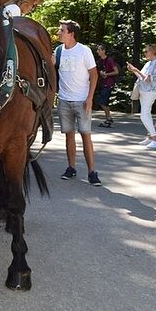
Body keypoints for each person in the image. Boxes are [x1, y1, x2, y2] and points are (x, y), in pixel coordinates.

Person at [54, 20, 102, 186]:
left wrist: (90, 98)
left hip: (82, 100)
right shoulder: (59, 51)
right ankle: (71, 168)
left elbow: (94, 75)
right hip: (64, 100)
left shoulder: (84, 51)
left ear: (71, 33)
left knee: (85, 135)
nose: (59, 32)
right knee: (69, 135)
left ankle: (92, 172)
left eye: (62, 30)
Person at [127, 44, 156, 149]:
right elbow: (141, 77)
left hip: (150, 91)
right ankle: (150, 137)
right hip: (144, 90)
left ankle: (155, 139)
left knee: (144, 115)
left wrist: (136, 70)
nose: (145, 53)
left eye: (146, 51)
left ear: (152, 52)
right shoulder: (148, 63)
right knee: (147, 114)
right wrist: (134, 70)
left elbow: (147, 79)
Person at [95, 44, 119, 127]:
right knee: (104, 102)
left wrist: (107, 74)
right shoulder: (99, 62)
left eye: (99, 50)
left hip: (108, 83)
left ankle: (109, 118)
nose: (97, 51)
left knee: (102, 102)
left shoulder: (109, 60)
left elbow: (116, 71)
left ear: (104, 50)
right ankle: (108, 119)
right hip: (102, 83)